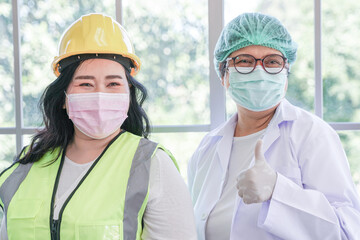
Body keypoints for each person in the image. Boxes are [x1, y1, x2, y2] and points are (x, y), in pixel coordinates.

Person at [0, 13, 196, 240]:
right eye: (85, 84)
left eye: (113, 83)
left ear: (129, 95)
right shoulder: (28, 164)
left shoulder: (151, 165)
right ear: (64, 97)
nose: (100, 95)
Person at [188, 12, 360, 240]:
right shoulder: (205, 150)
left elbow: (348, 231)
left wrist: (278, 191)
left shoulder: (312, 134)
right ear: (223, 75)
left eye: (272, 62)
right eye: (245, 61)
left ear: (285, 74)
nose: (260, 71)